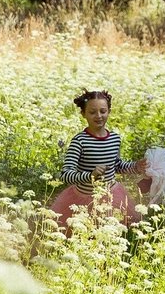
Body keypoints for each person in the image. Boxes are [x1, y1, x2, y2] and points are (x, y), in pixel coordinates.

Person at [49, 89, 148, 232]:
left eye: (103, 111)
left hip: (111, 197)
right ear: (83, 114)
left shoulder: (114, 139)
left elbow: (117, 166)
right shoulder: (80, 141)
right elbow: (66, 174)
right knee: (83, 235)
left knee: (109, 235)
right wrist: (90, 176)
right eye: (92, 112)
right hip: (82, 198)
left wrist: (135, 166)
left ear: (109, 111)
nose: (99, 116)